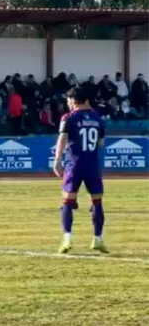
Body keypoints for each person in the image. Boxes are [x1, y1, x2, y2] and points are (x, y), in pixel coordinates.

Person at [53, 87, 107, 254]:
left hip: (74, 164)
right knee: (97, 201)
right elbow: (100, 143)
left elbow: (62, 138)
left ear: (73, 100)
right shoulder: (97, 118)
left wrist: (57, 160)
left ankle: (67, 239)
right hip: (91, 164)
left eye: (69, 100)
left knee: (67, 201)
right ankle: (97, 239)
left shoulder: (69, 117)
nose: (68, 103)